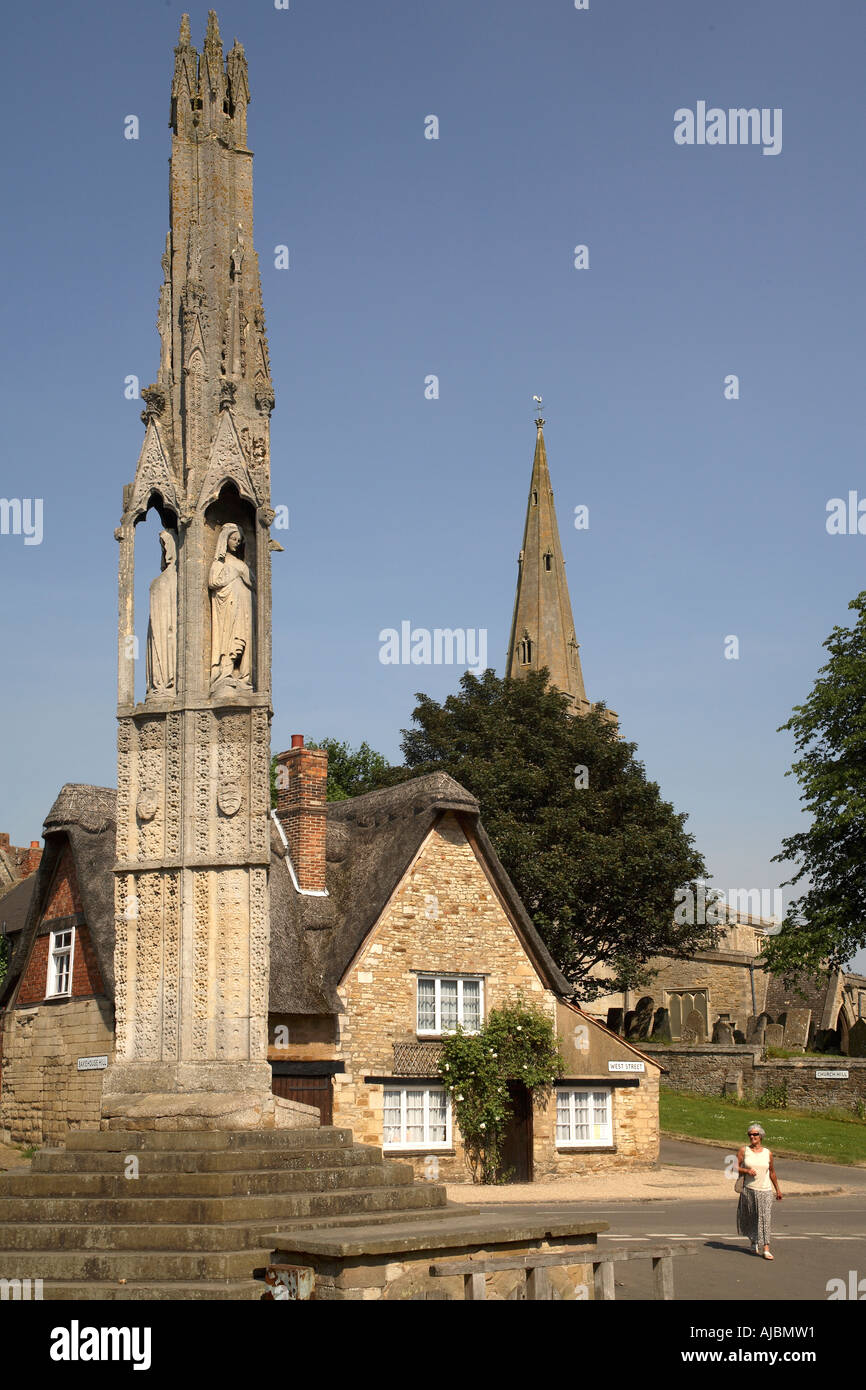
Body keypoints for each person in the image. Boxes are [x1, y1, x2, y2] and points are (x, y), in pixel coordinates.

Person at [736, 1122, 782, 1259]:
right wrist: (746, 1170)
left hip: (765, 1190)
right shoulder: (744, 1151)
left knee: (765, 1218)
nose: (752, 1136)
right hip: (749, 1190)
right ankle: (753, 1241)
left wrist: (778, 1190)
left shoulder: (768, 1153)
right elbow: (734, 1167)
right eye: (750, 1134)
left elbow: (772, 1172)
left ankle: (766, 1248)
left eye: (755, 1134)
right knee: (752, 1217)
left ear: (761, 1136)